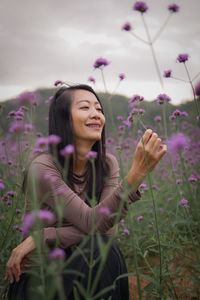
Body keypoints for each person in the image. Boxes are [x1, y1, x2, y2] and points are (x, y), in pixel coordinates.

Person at [5, 84, 167, 299]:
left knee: (102, 246)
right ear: (64, 119)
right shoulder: (43, 167)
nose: (96, 115)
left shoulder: (107, 163)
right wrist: (136, 175)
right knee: (99, 247)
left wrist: (45, 235)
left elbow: (108, 229)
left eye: (99, 109)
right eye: (84, 108)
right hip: (40, 281)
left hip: (88, 268)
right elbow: (94, 224)